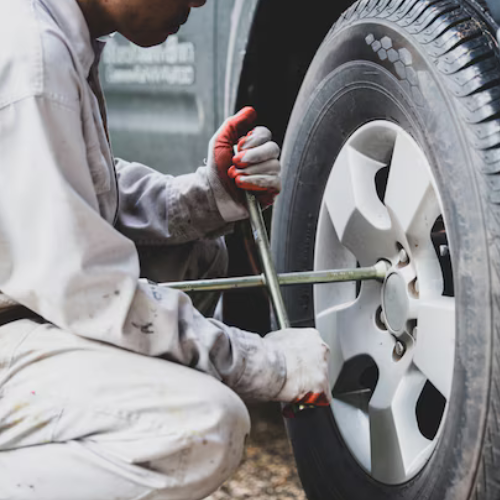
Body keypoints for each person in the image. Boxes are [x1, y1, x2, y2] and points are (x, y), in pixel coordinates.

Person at [0, 0, 331, 499]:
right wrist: (269, 365)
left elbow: (77, 191)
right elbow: (92, 292)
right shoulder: (31, 55)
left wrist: (208, 198)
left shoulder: (54, 33)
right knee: (204, 428)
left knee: (199, 257)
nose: (200, 1)